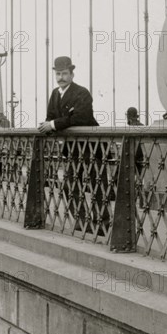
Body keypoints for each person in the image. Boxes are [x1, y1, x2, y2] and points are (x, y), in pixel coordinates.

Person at [38, 56, 107, 233]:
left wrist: (53, 125)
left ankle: (102, 223)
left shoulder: (82, 93)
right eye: (58, 74)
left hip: (92, 146)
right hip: (72, 148)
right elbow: (50, 116)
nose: (61, 77)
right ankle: (81, 221)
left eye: (64, 74)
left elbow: (80, 118)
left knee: (97, 184)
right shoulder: (55, 94)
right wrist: (48, 124)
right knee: (72, 183)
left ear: (72, 74)